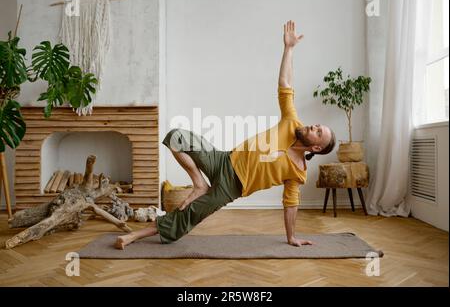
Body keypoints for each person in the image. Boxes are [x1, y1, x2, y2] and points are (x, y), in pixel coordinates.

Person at [115, 20, 336, 249]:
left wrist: (291, 237)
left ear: (316, 148)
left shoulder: (298, 172)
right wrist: (288, 49)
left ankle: (134, 236)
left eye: (318, 132)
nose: (313, 127)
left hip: (230, 188)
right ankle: (199, 184)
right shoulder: (292, 123)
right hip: (223, 159)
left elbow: (290, 204)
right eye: (317, 125)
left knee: (188, 214)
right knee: (176, 137)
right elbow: (285, 84)